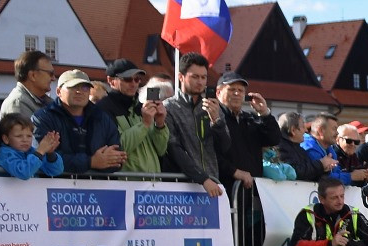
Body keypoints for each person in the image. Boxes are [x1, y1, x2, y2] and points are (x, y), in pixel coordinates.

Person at [32, 70, 126, 174]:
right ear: (58, 91)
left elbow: (118, 159)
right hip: (53, 187)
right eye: (73, 87)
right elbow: (41, 157)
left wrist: (103, 162)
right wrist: (91, 162)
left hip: (97, 187)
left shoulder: (102, 118)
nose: (79, 91)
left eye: (85, 87)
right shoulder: (43, 118)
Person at [164, 53, 229, 197]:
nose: (200, 82)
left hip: (213, 184)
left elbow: (225, 147)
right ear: (181, 77)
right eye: (195, 77)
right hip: (183, 186)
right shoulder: (169, 108)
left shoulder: (213, 107)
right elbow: (174, 150)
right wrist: (202, 178)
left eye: (203, 77)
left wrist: (216, 121)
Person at [97, 58, 169, 174]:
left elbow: (161, 150)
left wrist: (160, 125)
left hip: (153, 183)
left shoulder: (141, 107)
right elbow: (118, 148)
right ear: (111, 80)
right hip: (126, 185)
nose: (133, 84)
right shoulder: (103, 108)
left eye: (137, 79)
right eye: (127, 79)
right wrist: (145, 124)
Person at [215, 71, 281, 195]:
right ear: (218, 93)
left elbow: (274, 139)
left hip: (251, 192)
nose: (236, 93)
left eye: (240, 90)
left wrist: (265, 114)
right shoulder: (213, 118)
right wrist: (235, 172)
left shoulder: (249, 118)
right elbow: (212, 153)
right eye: (231, 89)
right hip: (225, 189)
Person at [0, 114, 63, 179]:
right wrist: (40, 152)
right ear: (6, 139)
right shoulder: (5, 154)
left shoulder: (33, 152)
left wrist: (50, 154)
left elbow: (55, 171)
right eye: (19, 136)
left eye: (29, 136)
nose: (25, 140)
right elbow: (23, 172)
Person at [0, 50, 55, 122]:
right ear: (33, 75)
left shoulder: (47, 102)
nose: (53, 78)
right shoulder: (18, 103)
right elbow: (29, 132)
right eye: (50, 73)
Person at [275, 111, 329, 182]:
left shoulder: (300, 149)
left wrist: (325, 168)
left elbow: (308, 173)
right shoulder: (280, 148)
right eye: (303, 126)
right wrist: (320, 164)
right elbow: (293, 172)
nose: (306, 130)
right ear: (293, 130)